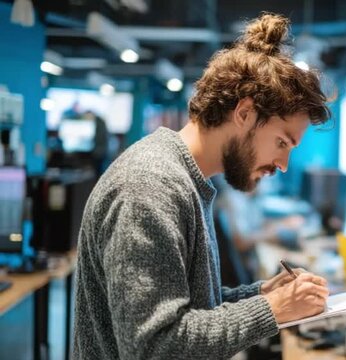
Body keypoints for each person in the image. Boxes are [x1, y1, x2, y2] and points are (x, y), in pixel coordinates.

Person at [73, 13, 332, 360]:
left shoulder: (185, 179)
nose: (282, 165)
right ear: (245, 114)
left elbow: (189, 307)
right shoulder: (150, 185)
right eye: (282, 143)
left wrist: (262, 295)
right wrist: (272, 309)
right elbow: (156, 346)